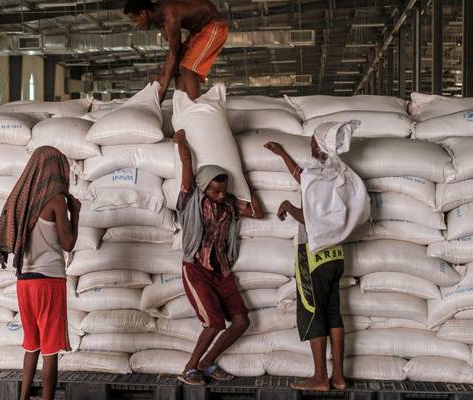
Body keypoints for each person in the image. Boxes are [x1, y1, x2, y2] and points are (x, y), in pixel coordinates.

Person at [264, 121, 367, 392]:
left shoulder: (316, 175)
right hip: (336, 257)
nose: (309, 144)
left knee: (313, 312)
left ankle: (320, 378)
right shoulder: (339, 174)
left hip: (314, 257)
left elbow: (311, 218)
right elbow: (303, 178)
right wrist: (282, 154)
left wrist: (288, 206)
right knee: (334, 313)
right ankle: (339, 377)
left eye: (312, 140)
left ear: (318, 144)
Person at [172, 129, 264, 385]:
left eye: (223, 191)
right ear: (204, 189)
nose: (221, 195)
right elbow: (187, 164)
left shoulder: (230, 204)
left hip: (222, 271)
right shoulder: (191, 200)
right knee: (214, 322)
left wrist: (245, 183)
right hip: (197, 269)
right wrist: (180, 140)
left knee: (241, 321)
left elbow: (257, 213)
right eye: (215, 192)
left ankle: (207, 362)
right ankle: (189, 368)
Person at [0, 146, 81, 400]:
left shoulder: (23, 201)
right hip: (49, 282)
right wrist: (75, 215)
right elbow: (68, 244)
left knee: (32, 344)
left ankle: (23, 398)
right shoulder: (55, 201)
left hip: (25, 281)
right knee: (50, 350)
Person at [124, 0, 228, 101]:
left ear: (143, 13)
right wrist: (162, 76)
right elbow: (173, 50)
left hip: (214, 26)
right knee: (178, 68)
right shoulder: (157, 18)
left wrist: (164, 88)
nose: (135, 25)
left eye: (135, 20)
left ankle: (195, 108)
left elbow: (174, 52)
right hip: (197, 32)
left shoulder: (170, 17)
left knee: (187, 69)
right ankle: (183, 104)